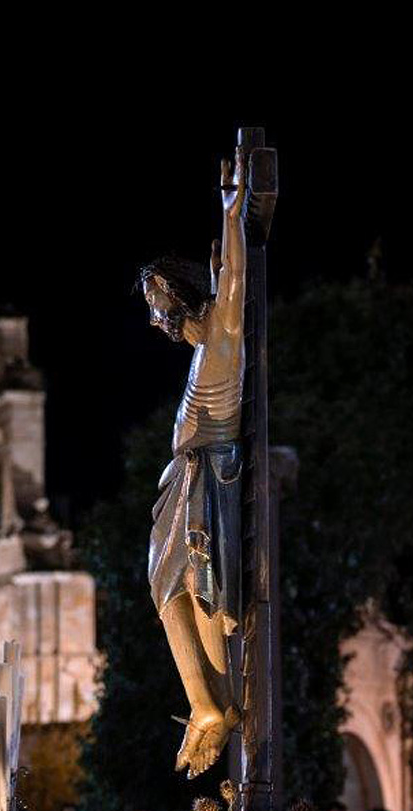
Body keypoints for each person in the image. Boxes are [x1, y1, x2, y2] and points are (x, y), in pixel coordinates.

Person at [141, 141, 248, 778]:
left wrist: (232, 210)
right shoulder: (202, 347)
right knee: (170, 588)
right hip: (189, 480)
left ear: (177, 297)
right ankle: (210, 703)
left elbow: (233, 281)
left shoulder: (221, 337)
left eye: (155, 303)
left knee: (186, 589)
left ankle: (211, 705)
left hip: (206, 481)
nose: (153, 318)